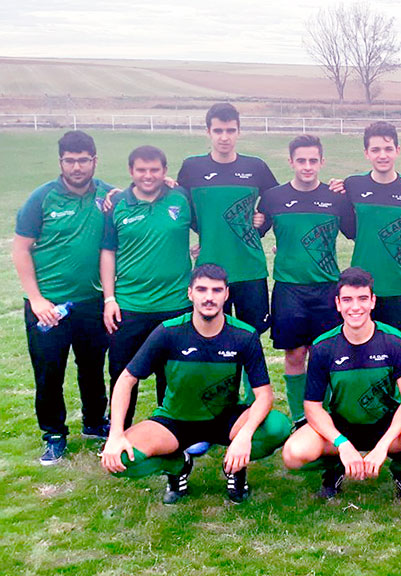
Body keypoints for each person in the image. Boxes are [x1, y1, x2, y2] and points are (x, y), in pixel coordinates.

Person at [100, 264, 291, 504]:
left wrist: (244, 437)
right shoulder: (169, 332)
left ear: (226, 294)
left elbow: (264, 395)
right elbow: (126, 380)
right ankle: (178, 465)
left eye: (216, 290)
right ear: (190, 293)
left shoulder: (244, 335)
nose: (209, 297)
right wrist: (115, 434)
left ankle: (235, 467)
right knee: (122, 459)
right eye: (202, 289)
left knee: (278, 427)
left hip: (225, 419)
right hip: (176, 420)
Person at [281, 267, 401, 502]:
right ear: (337, 303)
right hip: (342, 425)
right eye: (347, 300)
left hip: (386, 425)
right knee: (293, 454)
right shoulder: (324, 346)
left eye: (363, 298)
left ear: (373, 301)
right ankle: (335, 467)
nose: (355, 307)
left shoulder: (394, 341)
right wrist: (341, 444)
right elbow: (313, 407)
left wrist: (383, 446)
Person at [13, 130, 113, 464]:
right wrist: (36, 300)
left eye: (83, 160)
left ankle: (95, 423)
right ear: (61, 162)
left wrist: (168, 183)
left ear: (94, 161)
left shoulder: (107, 195)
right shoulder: (42, 198)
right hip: (48, 306)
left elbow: (144, 194)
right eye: (70, 161)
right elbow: (21, 249)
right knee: (49, 371)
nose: (77, 167)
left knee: (92, 367)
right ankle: (54, 434)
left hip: (92, 302)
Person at [255, 135, 345, 424]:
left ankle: (329, 417)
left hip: (327, 289)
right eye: (301, 161)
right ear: (291, 161)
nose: (307, 166)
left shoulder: (336, 198)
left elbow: (360, 230)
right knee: (295, 355)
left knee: (327, 355)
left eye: (313, 161)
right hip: (288, 290)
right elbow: (253, 232)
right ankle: (299, 420)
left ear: (322, 162)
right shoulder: (273, 198)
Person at [101, 145, 193, 428]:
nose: (148, 175)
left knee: (174, 373)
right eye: (141, 170)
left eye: (154, 170)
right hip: (130, 305)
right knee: (121, 372)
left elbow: (209, 227)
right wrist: (109, 299)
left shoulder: (181, 197)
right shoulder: (117, 204)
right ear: (131, 171)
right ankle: (119, 430)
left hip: (176, 304)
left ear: (165, 172)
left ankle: (172, 430)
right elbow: (108, 252)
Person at [176, 102, 278, 334]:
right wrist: (206, 230)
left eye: (230, 130)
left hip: (249, 269)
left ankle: (248, 373)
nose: (224, 137)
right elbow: (181, 207)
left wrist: (262, 221)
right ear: (208, 132)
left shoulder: (255, 167)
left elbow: (278, 200)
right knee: (209, 334)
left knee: (251, 336)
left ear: (238, 132)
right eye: (218, 131)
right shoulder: (192, 167)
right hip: (209, 270)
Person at [338, 121, 401, 344]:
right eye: (375, 149)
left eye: (388, 149)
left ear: (397, 150)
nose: (382, 155)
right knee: (361, 348)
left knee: (400, 350)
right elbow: (344, 225)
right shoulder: (352, 186)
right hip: (362, 287)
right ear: (366, 153)